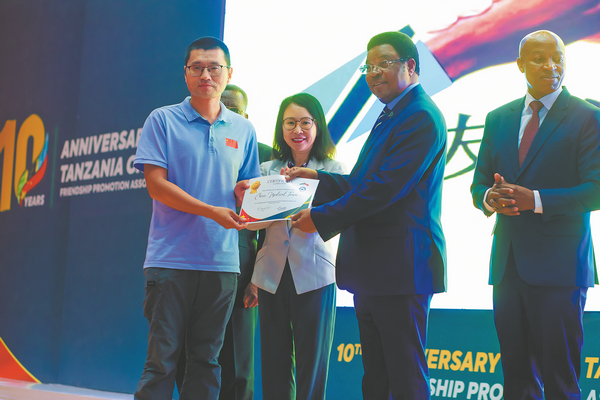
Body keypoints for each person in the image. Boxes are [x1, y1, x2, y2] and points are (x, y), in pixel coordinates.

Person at [289, 32, 447, 399]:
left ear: (411, 66)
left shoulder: (420, 116)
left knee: (404, 375)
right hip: (377, 267)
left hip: (401, 267)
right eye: (368, 67)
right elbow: (362, 182)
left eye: (384, 64)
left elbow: (384, 189)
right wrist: (316, 177)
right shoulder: (392, 112)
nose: (374, 73)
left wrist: (319, 218)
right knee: (377, 375)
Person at [471, 30, 600, 398]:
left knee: (561, 381)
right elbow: (479, 185)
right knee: (517, 380)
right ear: (520, 64)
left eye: (558, 58)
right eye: (540, 59)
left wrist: (536, 200)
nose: (551, 66)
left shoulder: (588, 117)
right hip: (508, 266)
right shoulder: (498, 118)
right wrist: (490, 199)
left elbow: (596, 189)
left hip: (561, 269)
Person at [133, 37, 260, 400]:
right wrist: (211, 211)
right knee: (162, 362)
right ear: (186, 74)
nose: (206, 75)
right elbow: (156, 186)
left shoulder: (244, 130)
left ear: (228, 73)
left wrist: (246, 194)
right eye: (197, 67)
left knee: (207, 362)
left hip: (222, 263)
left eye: (214, 67)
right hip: (170, 260)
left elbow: (247, 190)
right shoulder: (162, 120)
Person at [245, 93, 345, 400]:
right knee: (274, 360)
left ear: (317, 126)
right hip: (271, 275)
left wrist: (314, 217)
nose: (297, 129)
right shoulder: (266, 170)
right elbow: (252, 224)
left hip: (315, 275)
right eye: (290, 123)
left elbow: (343, 218)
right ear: (281, 128)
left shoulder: (334, 170)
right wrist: (256, 205)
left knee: (312, 361)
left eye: (305, 122)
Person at [175, 83, 271, 400]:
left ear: (246, 116)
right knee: (190, 349)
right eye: (221, 104)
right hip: (190, 259)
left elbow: (270, 227)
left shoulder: (265, 156)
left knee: (237, 355)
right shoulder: (187, 144)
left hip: (241, 266)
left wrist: (258, 278)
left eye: (234, 108)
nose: (225, 112)